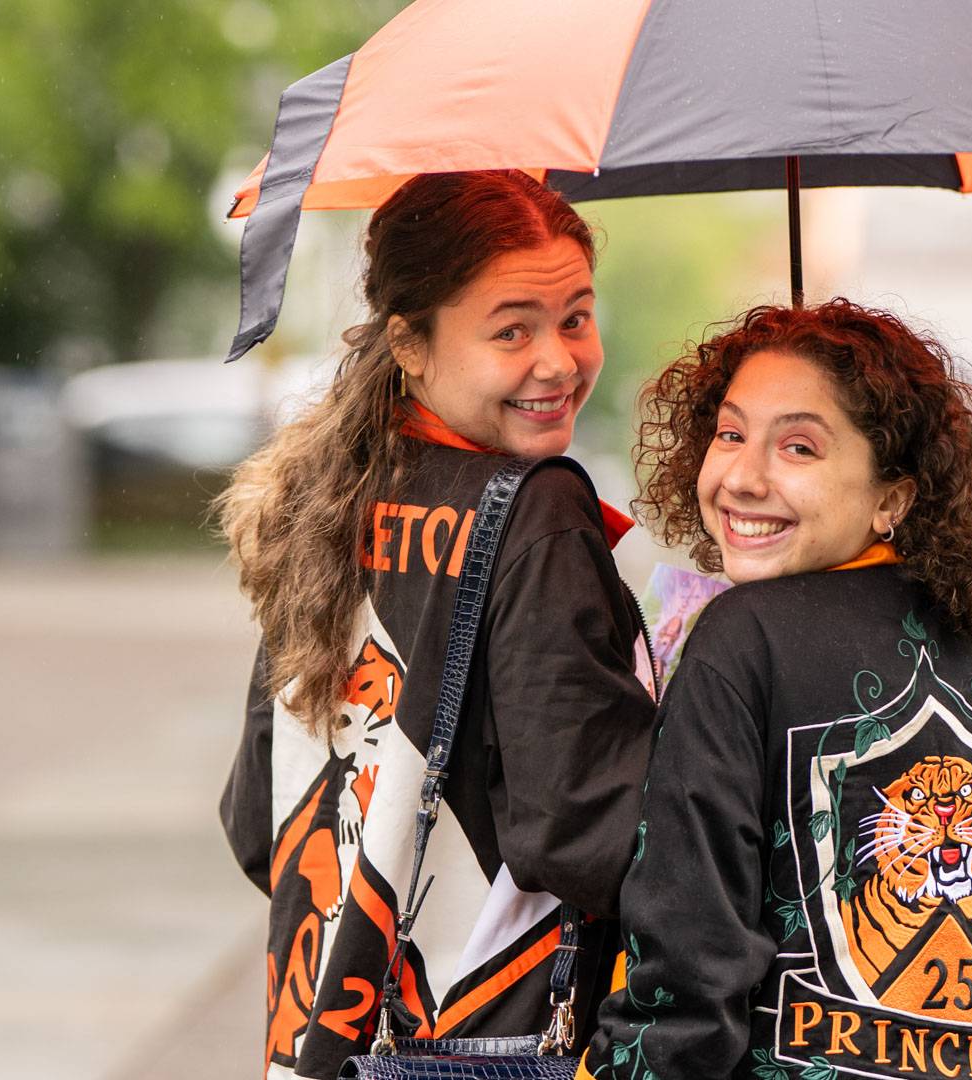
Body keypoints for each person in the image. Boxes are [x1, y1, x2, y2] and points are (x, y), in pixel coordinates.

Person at [579, 301, 972, 1080]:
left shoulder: (739, 641)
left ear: (892, 499)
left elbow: (689, 956)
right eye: (731, 433)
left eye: (799, 447)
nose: (743, 476)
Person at [216, 170, 658, 1080]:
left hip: (321, 1044)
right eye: (512, 330)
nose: (560, 360)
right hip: (483, 1045)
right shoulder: (534, 512)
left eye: (576, 316)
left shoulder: (332, 498)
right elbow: (580, 830)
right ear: (410, 343)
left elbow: (258, 822)